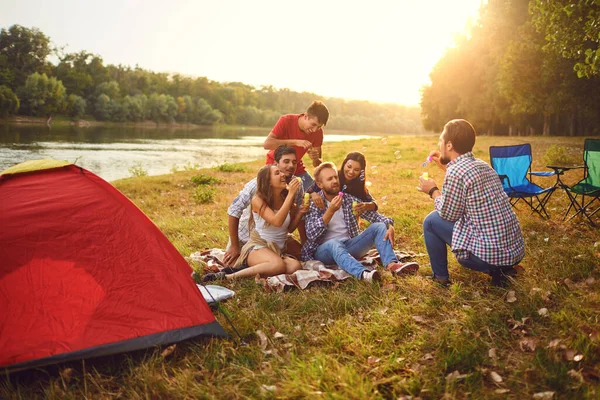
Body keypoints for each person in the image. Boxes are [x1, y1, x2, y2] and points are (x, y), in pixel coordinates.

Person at [417, 119, 525, 287]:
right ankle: (502, 270)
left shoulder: (456, 172)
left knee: (431, 221)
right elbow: (465, 184)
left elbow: (448, 214)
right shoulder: (482, 165)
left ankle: (441, 278)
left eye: (441, 141)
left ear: (449, 145)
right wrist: (445, 168)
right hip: (514, 252)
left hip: (490, 256)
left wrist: (432, 190)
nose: (439, 146)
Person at [302, 162, 419, 282]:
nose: (334, 181)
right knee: (333, 244)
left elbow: (375, 217)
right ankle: (364, 274)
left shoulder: (348, 200)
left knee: (379, 226)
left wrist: (389, 225)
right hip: (324, 251)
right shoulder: (315, 203)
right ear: (320, 184)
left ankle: (392, 265)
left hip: (349, 246)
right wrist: (330, 211)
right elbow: (311, 234)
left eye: (336, 177)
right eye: (329, 179)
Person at [204, 165, 307, 281]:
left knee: (295, 266)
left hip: (278, 249)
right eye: (277, 173)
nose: (283, 174)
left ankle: (252, 269)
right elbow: (277, 221)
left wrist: (299, 214)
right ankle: (228, 276)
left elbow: (287, 229)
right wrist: (291, 194)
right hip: (258, 246)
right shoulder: (257, 200)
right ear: (268, 182)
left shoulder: (285, 198)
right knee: (278, 265)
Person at [224, 145, 304, 266]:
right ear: (276, 163)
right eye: (286, 161)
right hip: (248, 236)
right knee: (233, 262)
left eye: (294, 162)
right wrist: (234, 246)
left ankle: (274, 259)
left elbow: (294, 217)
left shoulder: (296, 185)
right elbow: (233, 211)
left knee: (303, 254)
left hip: (277, 236)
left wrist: (305, 243)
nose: (291, 166)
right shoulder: (257, 185)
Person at [263, 101, 330, 191]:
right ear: (306, 116)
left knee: (318, 192)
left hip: (296, 168)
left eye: (319, 127)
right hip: (275, 165)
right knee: (274, 193)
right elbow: (267, 144)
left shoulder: (318, 133)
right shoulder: (286, 120)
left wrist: (315, 159)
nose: (315, 130)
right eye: (313, 124)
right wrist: (295, 142)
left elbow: (317, 165)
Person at [308, 151, 378, 212]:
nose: (351, 172)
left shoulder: (358, 184)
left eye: (356, 170)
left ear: (361, 172)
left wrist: (367, 206)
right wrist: (313, 194)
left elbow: (374, 204)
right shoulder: (333, 176)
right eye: (349, 167)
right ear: (344, 164)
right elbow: (308, 192)